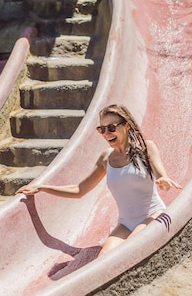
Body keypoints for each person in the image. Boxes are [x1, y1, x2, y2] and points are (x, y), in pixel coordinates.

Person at [16, 104, 182, 257]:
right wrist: (43, 188)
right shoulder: (105, 158)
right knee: (104, 260)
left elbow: (162, 176)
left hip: (152, 216)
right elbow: (79, 190)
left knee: (130, 250)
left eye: (111, 127)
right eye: (101, 129)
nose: (106, 133)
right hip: (125, 224)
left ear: (127, 125)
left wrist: (164, 181)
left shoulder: (147, 148)